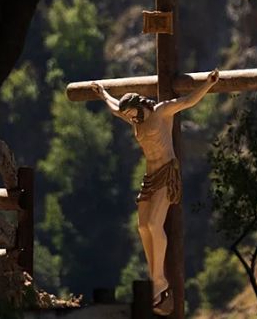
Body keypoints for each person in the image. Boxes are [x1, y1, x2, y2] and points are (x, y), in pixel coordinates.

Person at [90, 68, 220, 316]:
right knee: (141, 227)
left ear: (140, 105)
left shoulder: (161, 112)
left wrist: (208, 84)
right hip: (149, 177)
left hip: (166, 173)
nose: (130, 118)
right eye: (128, 115)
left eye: (132, 114)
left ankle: (159, 282)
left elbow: (187, 101)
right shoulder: (132, 116)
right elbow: (115, 106)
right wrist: (102, 92)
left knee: (152, 224)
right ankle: (156, 283)